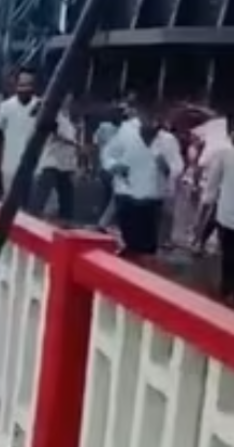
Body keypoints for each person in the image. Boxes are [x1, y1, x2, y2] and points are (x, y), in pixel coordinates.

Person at [102, 104, 183, 258]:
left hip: (152, 201)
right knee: (129, 240)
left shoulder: (168, 141)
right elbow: (109, 155)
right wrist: (115, 166)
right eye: (148, 115)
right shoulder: (126, 135)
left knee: (147, 245)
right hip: (126, 196)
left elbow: (177, 168)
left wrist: (166, 167)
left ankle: (140, 268)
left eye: (156, 116)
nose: (153, 120)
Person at [30, 94, 79, 222]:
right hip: (52, 162)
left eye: (70, 97)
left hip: (66, 164)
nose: (68, 100)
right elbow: (56, 131)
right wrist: (75, 143)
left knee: (67, 199)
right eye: (65, 97)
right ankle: (31, 220)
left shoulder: (69, 118)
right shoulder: (54, 114)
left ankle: (66, 223)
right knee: (40, 196)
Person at [201, 114, 234, 303]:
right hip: (227, 215)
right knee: (228, 255)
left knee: (228, 256)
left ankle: (226, 290)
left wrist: (208, 199)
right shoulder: (225, 153)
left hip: (226, 216)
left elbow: (213, 181)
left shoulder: (225, 153)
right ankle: (227, 290)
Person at [0, 68, 41, 198]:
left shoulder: (41, 106)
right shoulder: (5, 107)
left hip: (35, 169)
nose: (25, 89)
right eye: (22, 85)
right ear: (16, 85)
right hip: (10, 167)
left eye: (29, 85)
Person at [92, 106, 125, 230]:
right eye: (116, 113)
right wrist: (95, 166)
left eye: (121, 114)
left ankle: (104, 223)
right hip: (106, 166)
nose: (119, 116)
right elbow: (96, 147)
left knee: (111, 195)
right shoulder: (104, 127)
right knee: (111, 194)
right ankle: (103, 222)